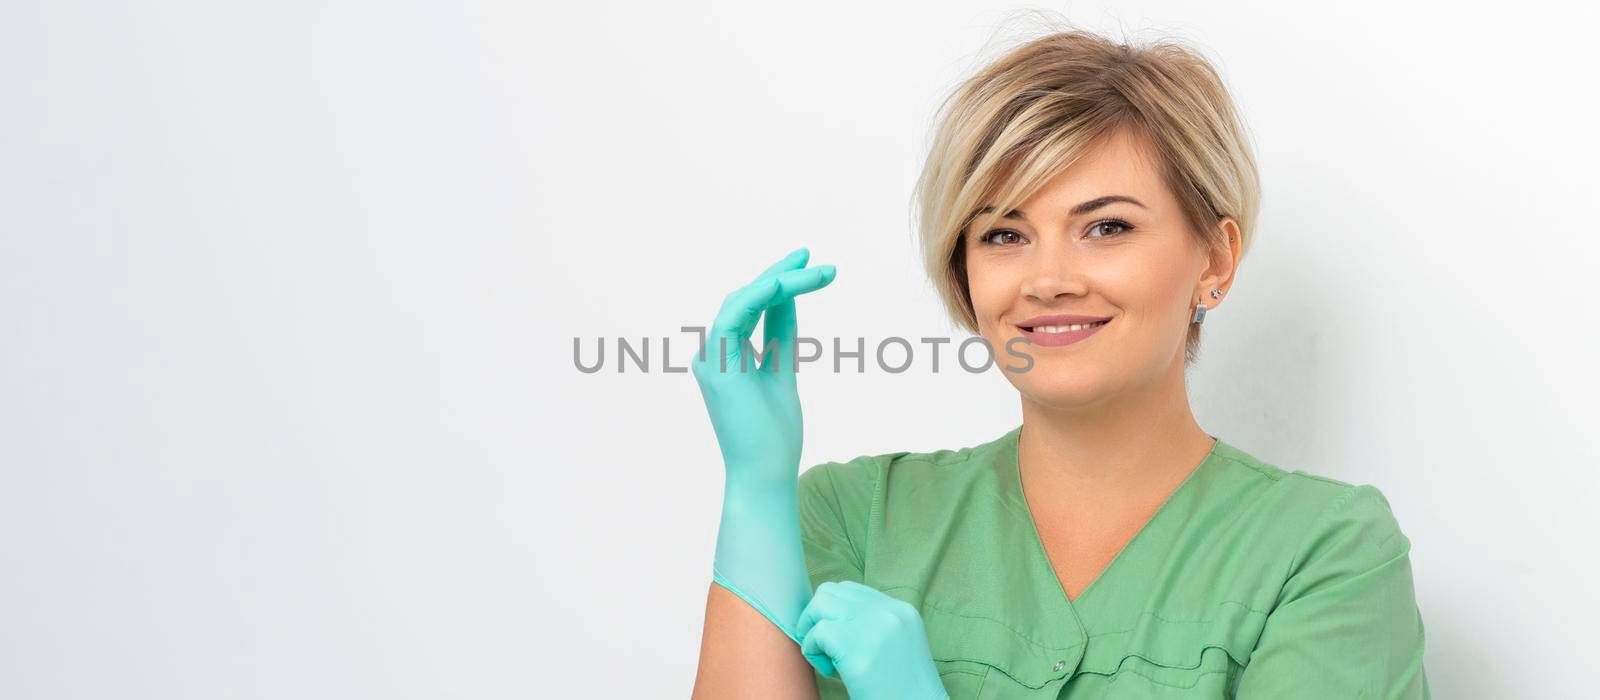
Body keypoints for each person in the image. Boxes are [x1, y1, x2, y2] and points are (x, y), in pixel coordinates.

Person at [689, 27, 1429, 699]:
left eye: (1106, 227)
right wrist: (755, 491)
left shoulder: (1325, 556)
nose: (1048, 279)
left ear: (1216, 257)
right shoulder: (851, 521)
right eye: (1004, 235)